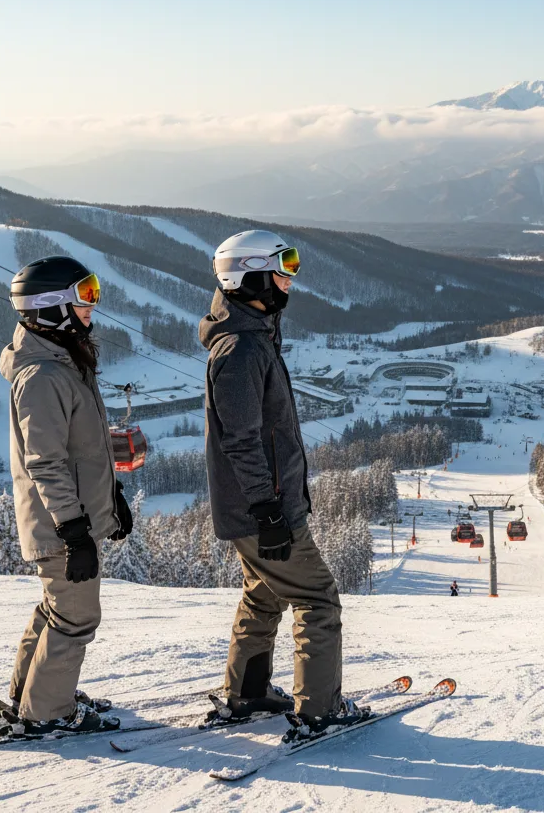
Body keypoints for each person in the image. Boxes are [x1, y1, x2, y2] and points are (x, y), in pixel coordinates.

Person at [201, 230, 362, 735]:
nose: (289, 279)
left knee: (263, 593)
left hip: (259, 505)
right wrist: (268, 510)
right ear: (249, 275)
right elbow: (241, 442)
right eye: (282, 268)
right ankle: (319, 709)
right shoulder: (241, 349)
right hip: (263, 509)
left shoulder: (255, 335)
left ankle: (246, 693)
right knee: (317, 598)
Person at [0, 256, 133, 736]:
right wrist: (74, 531)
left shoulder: (62, 361)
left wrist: (109, 497)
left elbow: (84, 447)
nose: (93, 308)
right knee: (77, 615)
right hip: (60, 524)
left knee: (57, 608)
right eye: (86, 297)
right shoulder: (44, 376)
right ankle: (47, 713)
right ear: (53, 307)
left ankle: (29, 694)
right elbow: (46, 464)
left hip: (70, 516)